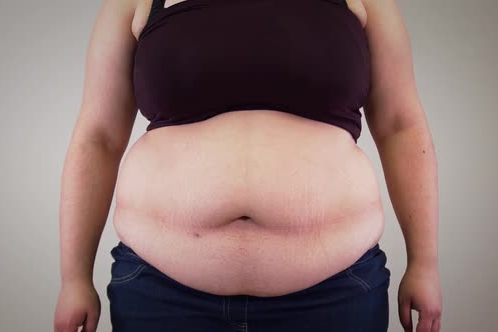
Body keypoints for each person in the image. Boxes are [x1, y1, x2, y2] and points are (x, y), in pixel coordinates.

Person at [54, 0, 442, 331]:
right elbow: (98, 137)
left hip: (335, 295)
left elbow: (399, 126)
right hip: (159, 294)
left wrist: (424, 262)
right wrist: (74, 277)